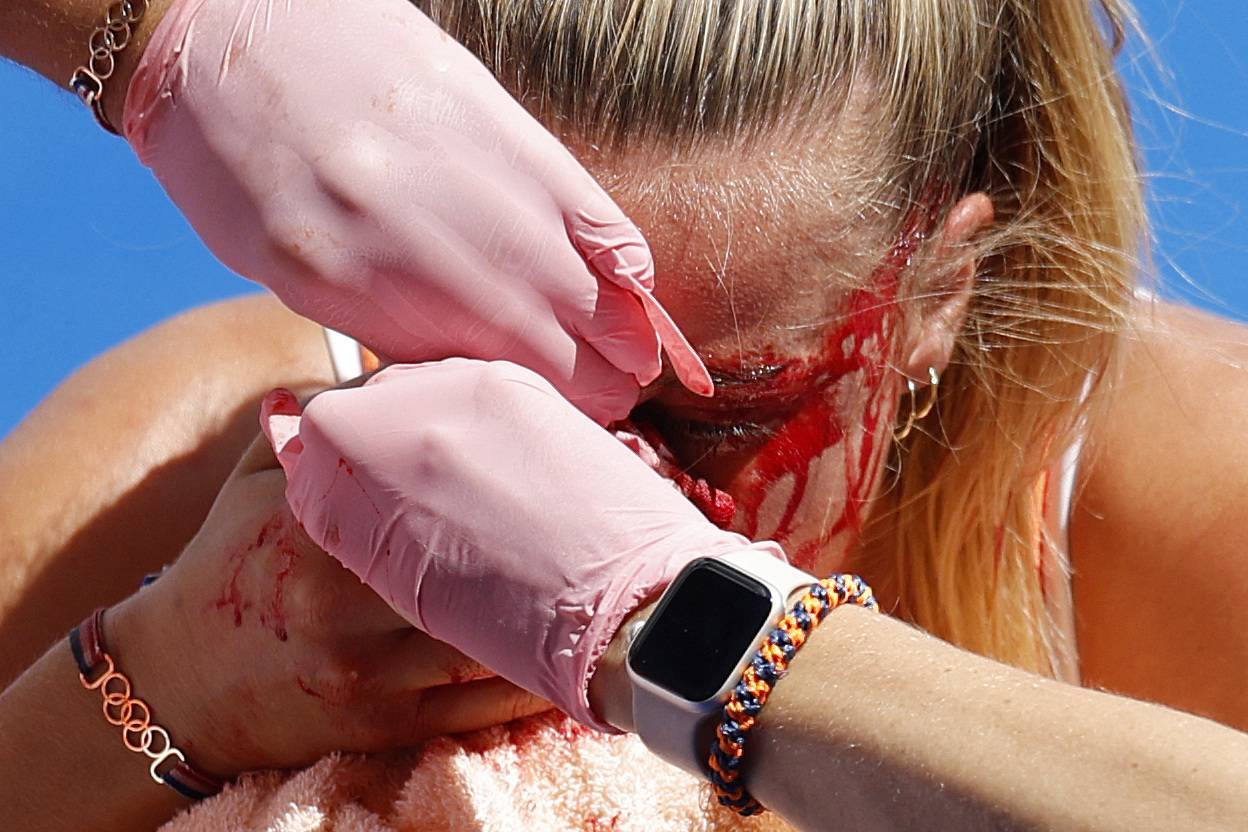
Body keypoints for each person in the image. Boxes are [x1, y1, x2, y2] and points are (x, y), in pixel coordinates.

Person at [1, 0, 1246, 830]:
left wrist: (716, 642)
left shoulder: (1173, 487)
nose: (577, 472)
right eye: (485, 373)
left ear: (937, 291)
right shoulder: (197, 474)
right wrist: (158, 682)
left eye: (718, 411)